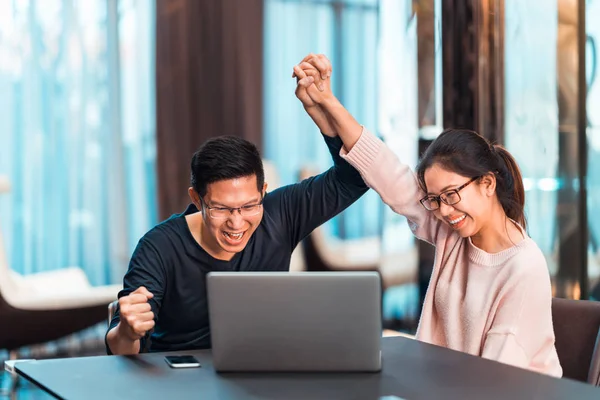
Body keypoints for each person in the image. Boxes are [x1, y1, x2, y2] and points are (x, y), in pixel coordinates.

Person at [292, 54, 562, 377]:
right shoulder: (455, 230)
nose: (444, 211)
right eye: (434, 200)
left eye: (451, 195)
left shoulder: (523, 269)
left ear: (488, 183)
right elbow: (387, 173)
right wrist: (327, 102)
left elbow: (494, 381)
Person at [105, 92, 369, 355]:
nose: (237, 222)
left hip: (261, 372)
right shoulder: (158, 247)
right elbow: (121, 349)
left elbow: (358, 175)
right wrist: (127, 331)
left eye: (249, 205)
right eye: (221, 208)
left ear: (263, 191)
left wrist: (325, 111)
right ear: (197, 199)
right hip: (183, 380)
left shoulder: (281, 213)